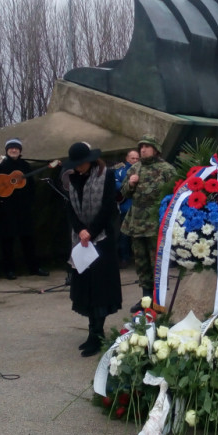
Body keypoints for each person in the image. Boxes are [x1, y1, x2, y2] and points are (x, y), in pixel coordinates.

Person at [60, 142, 122, 357]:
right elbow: (69, 208)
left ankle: (98, 333)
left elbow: (108, 207)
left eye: (82, 164)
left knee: (100, 289)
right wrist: (80, 230)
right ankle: (91, 331)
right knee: (85, 287)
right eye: (76, 165)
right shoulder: (71, 179)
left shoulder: (106, 175)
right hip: (81, 240)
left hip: (101, 238)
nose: (79, 168)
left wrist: (92, 231)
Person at [120, 134, 173, 312]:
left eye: (147, 147)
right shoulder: (135, 168)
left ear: (156, 149)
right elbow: (124, 193)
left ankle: (159, 300)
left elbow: (175, 193)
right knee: (141, 262)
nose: (143, 149)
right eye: (141, 146)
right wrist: (131, 184)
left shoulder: (166, 169)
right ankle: (146, 298)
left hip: (155, 223)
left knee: (156, 262)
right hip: (136, 222)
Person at [0, 138, 46, 279]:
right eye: (11, 148)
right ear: (7, 150)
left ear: (20, 151)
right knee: (7, 241)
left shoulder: (25, 165)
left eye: (16, 148)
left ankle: (34, 267)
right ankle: (9, 270)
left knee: (29, 239)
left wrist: (29, 203)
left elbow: (32, 186)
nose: (13, 150)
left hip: (24, 208)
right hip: (6, 209)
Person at [113, 149, 139, 267]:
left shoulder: (143, 170)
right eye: (132, 158)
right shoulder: (120, 171)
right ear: (127, 159)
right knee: (124, 235)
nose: (135, 161)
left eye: (137, 158)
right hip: (126, 207)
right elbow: (115, 184)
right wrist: (129, 184)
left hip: (141, 208)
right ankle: (125, 258)